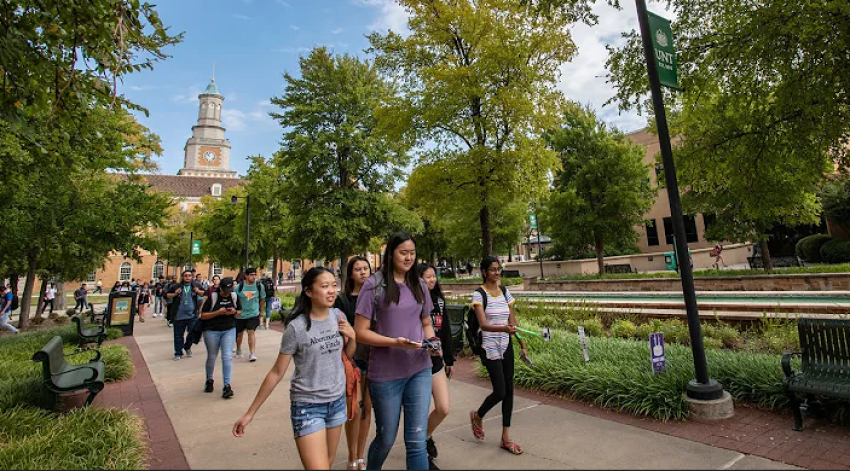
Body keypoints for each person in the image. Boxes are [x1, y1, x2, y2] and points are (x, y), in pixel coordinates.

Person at [233, 267, 356, 469]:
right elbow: (276, 372)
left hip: (336, 402)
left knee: (328, 462)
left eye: (334, 285)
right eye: (324, 286)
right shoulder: (296, 328)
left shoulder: (338, 316)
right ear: (308, 291)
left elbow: (346, 356)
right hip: (308, 407)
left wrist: (353, 336)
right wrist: (250, 413)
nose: (332, 291)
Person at [353, 231, 439, 471]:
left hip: (419, 369)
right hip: (386, 374)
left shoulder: (419, 283)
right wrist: (396, 342)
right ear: (391, 254)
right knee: (385, 439)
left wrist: (433, 342)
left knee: (416, 441)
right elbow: (360, 331)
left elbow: (425, 323)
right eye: (403, 252)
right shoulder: (374, 285)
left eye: (412, 253)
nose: (409, 257)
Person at [469, 256, 527, 456]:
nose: (496, 272)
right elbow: (484, 325)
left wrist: (521, 343)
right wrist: (505, 328)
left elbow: (513, 321)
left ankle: (506, 437)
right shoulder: (479, 295)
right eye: (492, 269)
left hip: (506, 345)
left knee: (509, 390)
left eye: (498, 269)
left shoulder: (505, 292)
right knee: (500, 391)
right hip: (490, 345)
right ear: (484, 272)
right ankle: (478, 415)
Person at [334, 256, 373, 470]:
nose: (363, 272)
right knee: (355, 409)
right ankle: (351, 455)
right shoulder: (343, 299)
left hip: (374, 357)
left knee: (367, 408)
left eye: (366, 268)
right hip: (352, 358)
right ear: (351, 274)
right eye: (358, 269)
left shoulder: (377, 297)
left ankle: (360, 455)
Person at [419, 263, 454, 469]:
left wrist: (449, 359)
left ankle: (425, 436)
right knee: (420, 410)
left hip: (436, 361)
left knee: (443, 408)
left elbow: (446, 331)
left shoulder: (439, 302)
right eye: (426, 277)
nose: (431, 280)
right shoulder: (414, 302)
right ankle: (420, 453)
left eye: (433, 276)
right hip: (418, 363)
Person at [200, 276, 241, 399]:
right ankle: (209, 379)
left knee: (227, 355)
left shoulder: (234, 297)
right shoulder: (213, 297)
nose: (227, 293)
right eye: (225, 290)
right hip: (212, 330)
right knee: (212, 356)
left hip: (229, 328)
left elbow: (239, 311)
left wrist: (233, 312)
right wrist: (218, 312)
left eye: (229, 290)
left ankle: (227, 385)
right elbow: (203, 315)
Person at [166, 270, 205, 360]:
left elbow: (205, 293)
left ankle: (187, 346)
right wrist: (175, 294)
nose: (187, 277)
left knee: (193, 332)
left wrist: (198, 291)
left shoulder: (196, 285)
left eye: (189, 275)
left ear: (192, 277)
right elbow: (166, 295)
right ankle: (178, 353)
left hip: (192, 315)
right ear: (182, 277)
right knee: (178, 335)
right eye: (185, 275)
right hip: (179, 315)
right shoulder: (176, 286)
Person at [234, 267, 265, 362]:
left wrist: (261, 311)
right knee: (239, 334)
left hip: (253, 314)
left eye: (255, 274)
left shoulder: (260, 286)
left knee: (251, 331)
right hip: (241, 315)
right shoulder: (238, 287)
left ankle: (252, 353)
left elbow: (262, 298)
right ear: (246, 276)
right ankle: (238, 349)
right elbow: (234, 300)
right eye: (251, 275)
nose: (254, 276)